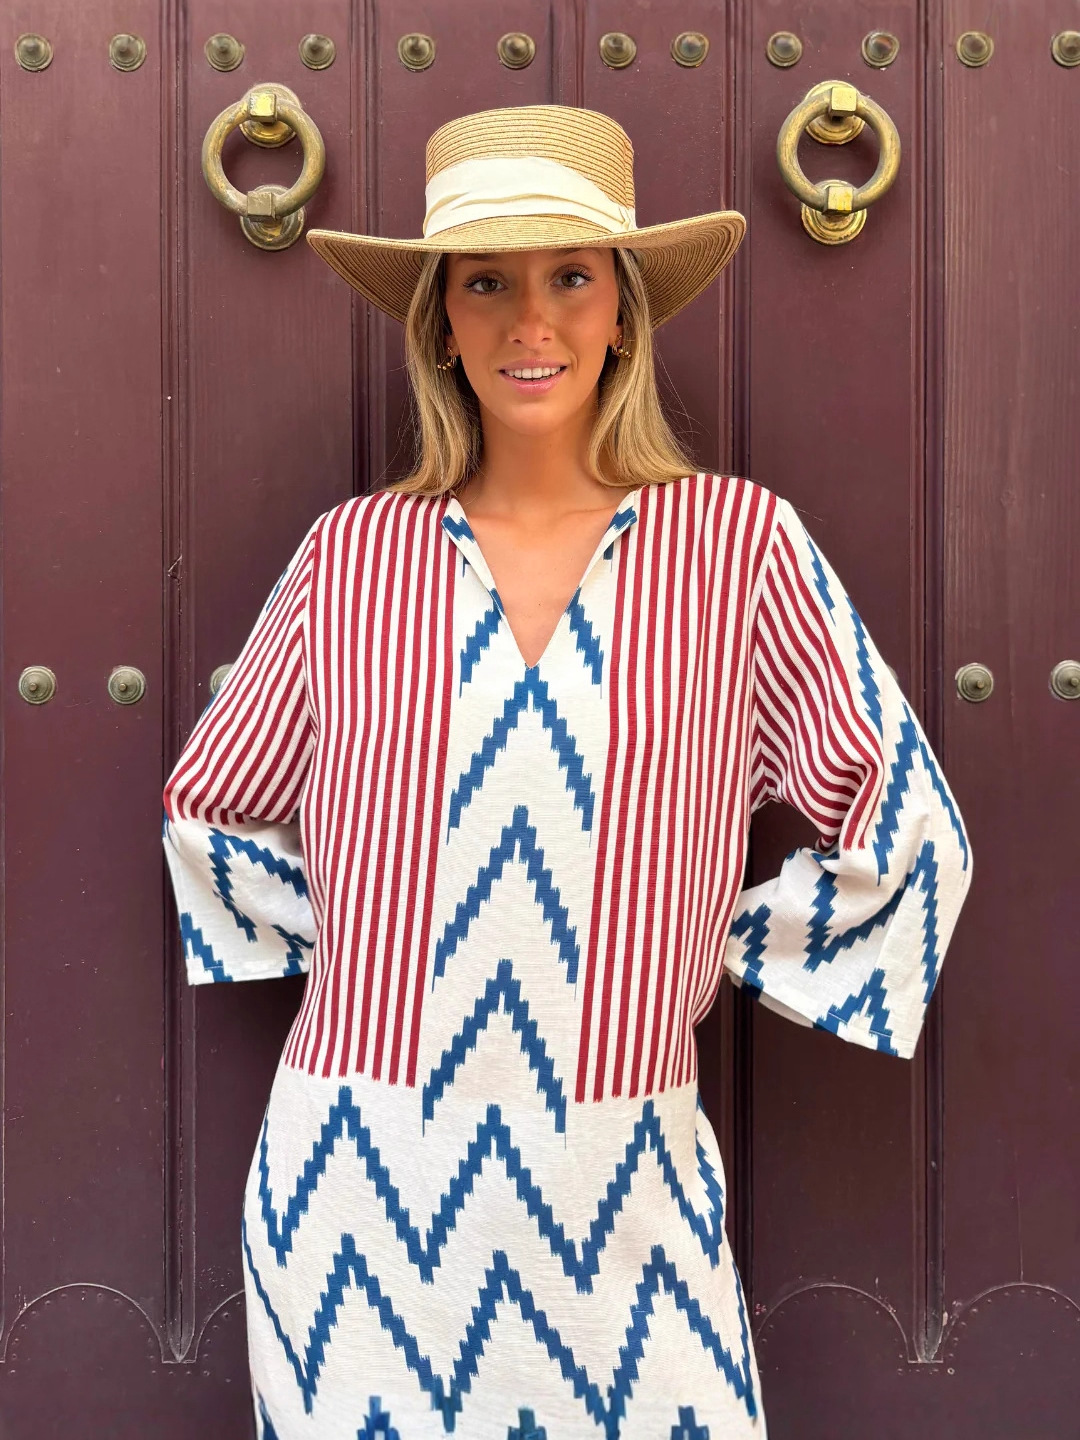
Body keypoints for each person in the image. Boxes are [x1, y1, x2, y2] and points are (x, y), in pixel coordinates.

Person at [161, 104, 971, 1440]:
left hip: (625, 1182)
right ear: (440, 319)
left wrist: (690, 953)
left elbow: (912, 834)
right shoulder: (352, 556)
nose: (530, 321)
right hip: (356, 1187)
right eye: (486, 282)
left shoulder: (738, 551)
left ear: (623, 313)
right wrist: (380, 959)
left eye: (571, 277)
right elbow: (211, 803)